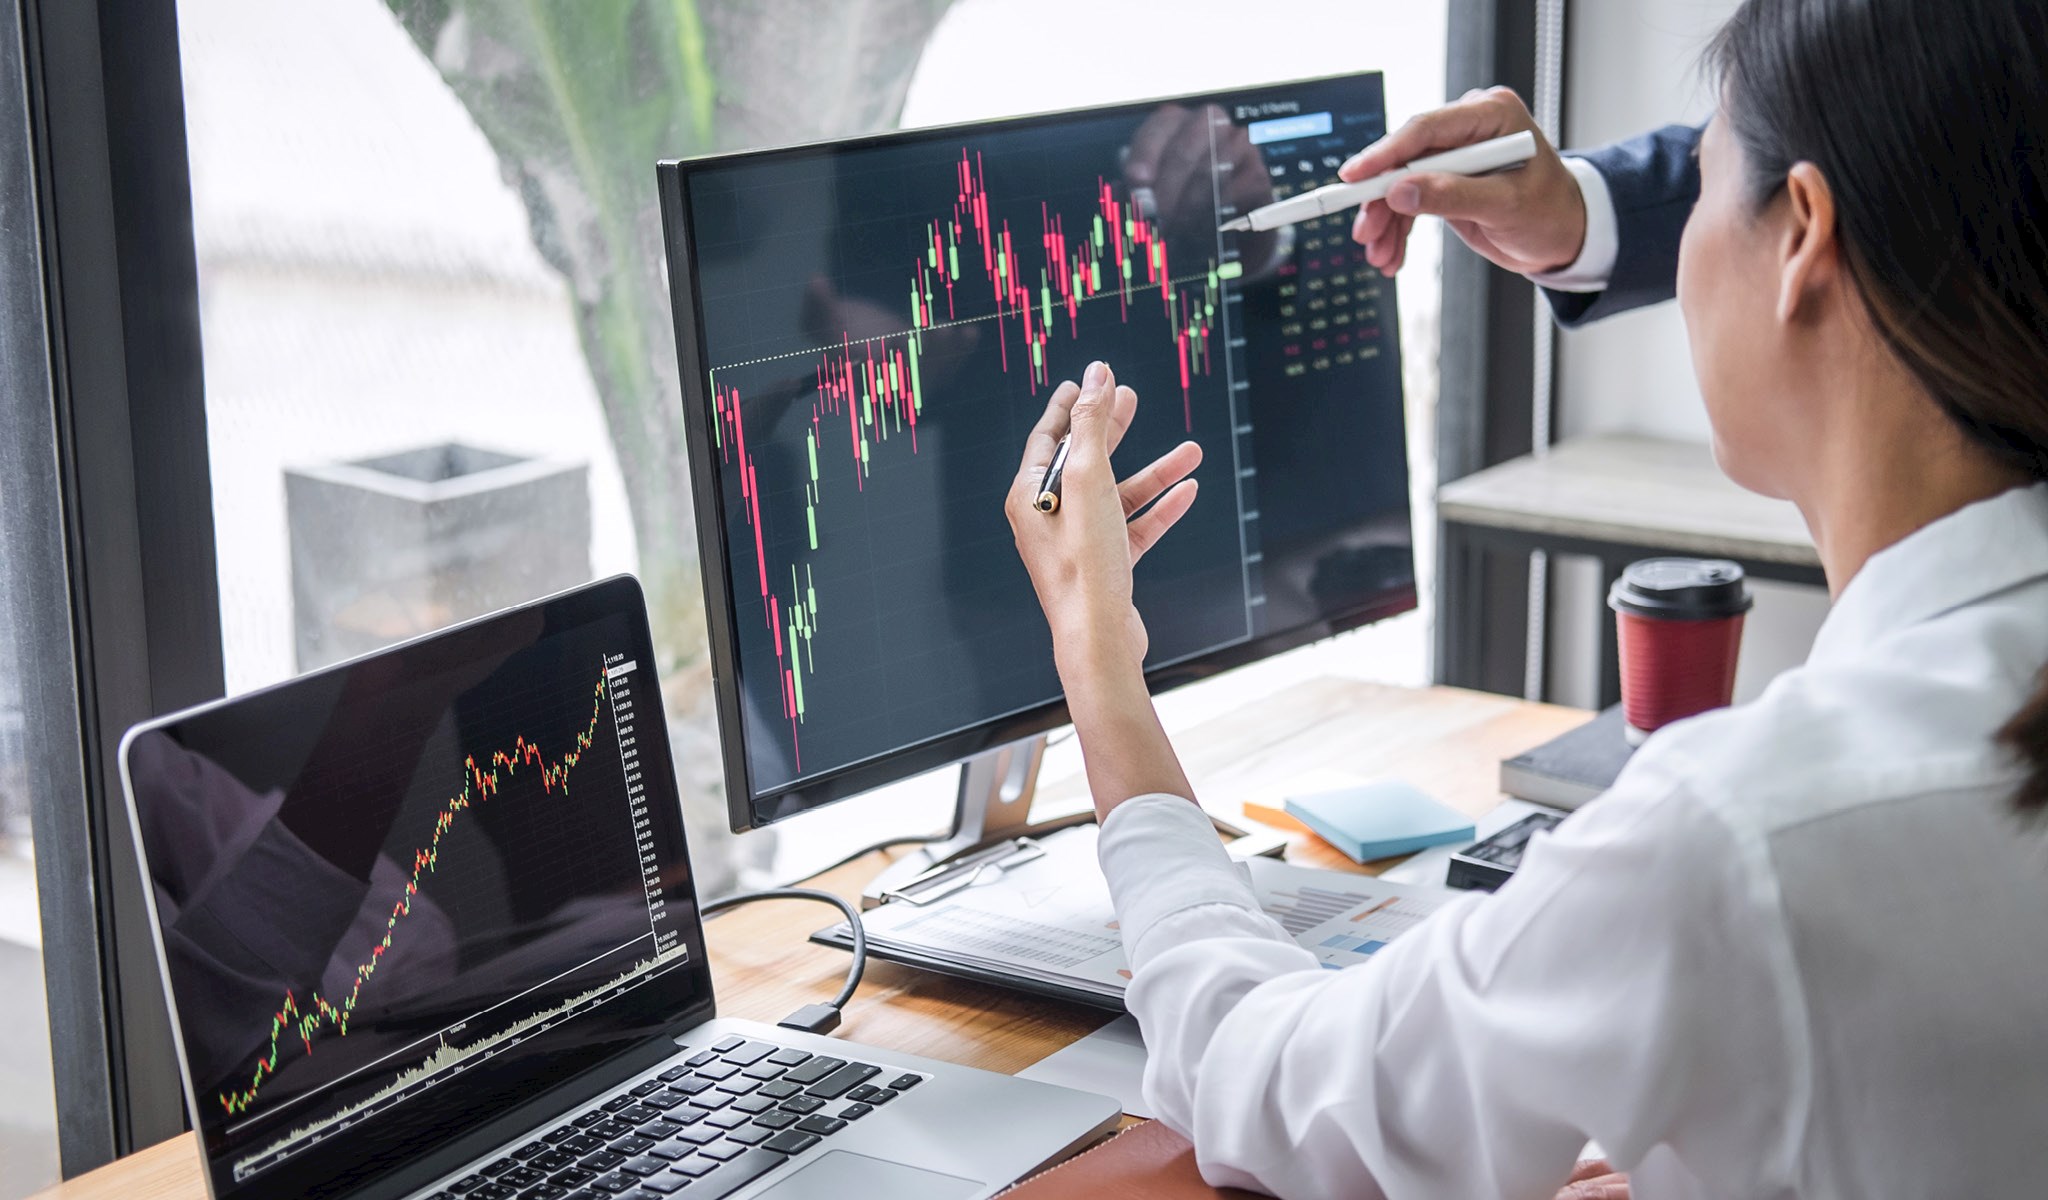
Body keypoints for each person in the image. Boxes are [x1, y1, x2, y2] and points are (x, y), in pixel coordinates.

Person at [1002, 0, 2048, 1196]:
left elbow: (1277, 1095)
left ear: (1801, 234)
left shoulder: (1731, 837)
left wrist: (1098, 668)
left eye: (1700, 185)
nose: (1688, 243)